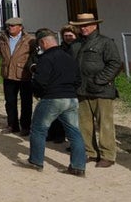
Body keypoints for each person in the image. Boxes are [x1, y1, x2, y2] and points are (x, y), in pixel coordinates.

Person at [26, 28, 87, 175]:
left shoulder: (45, 58)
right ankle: (78, 167)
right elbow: (78, 79)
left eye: (39, 45)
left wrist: (38, 92)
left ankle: (36, 162)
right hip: (71, 98)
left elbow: (40, 82)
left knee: (38, 129)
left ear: (43, 42)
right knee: (74, 132)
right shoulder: (69, 57)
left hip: (52, 98)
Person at [68, 12, 121, 168]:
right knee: (84, 124)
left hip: (102, 91)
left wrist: (100, 80)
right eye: (80, 26)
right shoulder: (75, 44)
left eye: (86, 25)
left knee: (105, 124)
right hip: (81, 89)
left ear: (94, 25)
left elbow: (115, 64)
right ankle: (90, 152)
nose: (83, 28)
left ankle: (108, 155)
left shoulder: (106, 43)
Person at [0, 17, 35, 135]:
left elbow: (33, 55)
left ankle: (25, 126)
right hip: (8, 74)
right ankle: (12, 125)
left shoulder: (30, 40)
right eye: (9, 26)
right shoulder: (3, 39)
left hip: (24, 75)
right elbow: (0, 52)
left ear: (20, 27)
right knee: (10, 101)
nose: (10, 28)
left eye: (13, 26)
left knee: (26, 102)